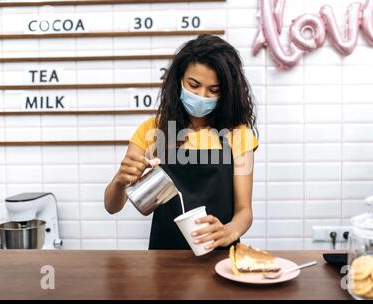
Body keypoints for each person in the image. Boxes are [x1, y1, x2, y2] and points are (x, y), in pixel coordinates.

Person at [104, 34, 259, 251]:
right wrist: (120, 181)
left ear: (227, 92)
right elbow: (112, 206)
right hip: (164, 258)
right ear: (179, 80)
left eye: (213, 90)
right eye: (194, 85)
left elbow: (244, 212)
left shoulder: (238, 135)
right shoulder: (153, 130)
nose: (202, 96)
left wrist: (229, 231)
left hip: (220, 257)